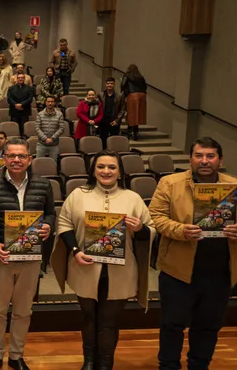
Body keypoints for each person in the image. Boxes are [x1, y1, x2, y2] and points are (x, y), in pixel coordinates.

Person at [149, 137, 237, 370]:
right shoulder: (169, 183)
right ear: (190, 158)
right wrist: (181, 230)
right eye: (199, 155)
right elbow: (156, 217)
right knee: (172, 325)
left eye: (210, 156)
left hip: (219, 272)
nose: (204, 161)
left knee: (208, 326)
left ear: (220, 160)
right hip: (177, 271)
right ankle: (168, 366)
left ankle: (199, 366)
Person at [51, 151, 154, 370]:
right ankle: (89, 361)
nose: (106, 171)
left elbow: (150, 230)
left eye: (111, 167)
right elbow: (64, 225)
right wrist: (75, 250)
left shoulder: (133, 198)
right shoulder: (78, 194)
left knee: (109, 320)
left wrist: (140, 228)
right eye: (100, 167)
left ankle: (106, 363)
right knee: (89, 316)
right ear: (93, 170)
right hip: (84, 266)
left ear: (119, 172)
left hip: (121, 271)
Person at [0, 138, 56, 370]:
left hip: (31, 259)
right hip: (1, 258)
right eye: (11, 156)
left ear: (30, 159)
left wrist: (48, 227)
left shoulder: (44, 185)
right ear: (3, 159)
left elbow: (51, 214)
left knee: (24, 311)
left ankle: (16, 356)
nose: (16, 160)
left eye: (21, 156)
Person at [121, 65, 148, 140]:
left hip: (132, 95)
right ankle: (135, 131)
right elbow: (145, 87)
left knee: (131, 113)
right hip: (142, 95)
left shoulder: (127, 75)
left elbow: (123, 85)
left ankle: (131, 130)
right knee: (138, 114)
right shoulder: (140, 76)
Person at [97, 77, 126, 144]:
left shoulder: (119, 96)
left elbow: (123, 109)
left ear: (114, 84)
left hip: (114, 120)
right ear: (106, 84)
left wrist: (117, 120)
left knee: (114, 140)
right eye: (108, 83)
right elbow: (97, 107)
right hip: (103, 120)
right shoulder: (101, 95)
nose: (109, 85)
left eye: (111, 83)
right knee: (103, 140)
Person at [7, 73, 35, 137]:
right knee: (14, 129)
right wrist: (16, 105)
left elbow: (30, 99)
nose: (20, 79)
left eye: (22, 77)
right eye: (19, 78)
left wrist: (21, 104)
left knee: (24, 129)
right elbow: (9, 99)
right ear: (16, 79)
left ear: (24, 79)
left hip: (25, 111)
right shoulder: (11, 88)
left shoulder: (29, 88)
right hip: (14, 111)